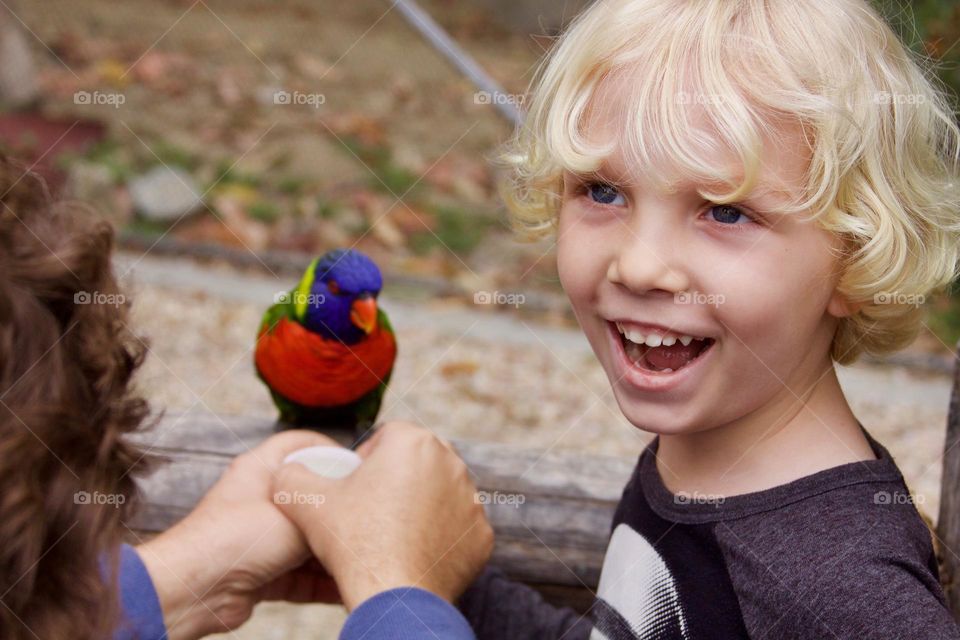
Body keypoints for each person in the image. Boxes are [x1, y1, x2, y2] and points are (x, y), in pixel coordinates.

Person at [283, 0, 960, 637]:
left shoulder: (838, 588)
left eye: (725, 211)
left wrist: (394, 589)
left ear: (854, 255)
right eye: (602, 192)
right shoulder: (710, 457)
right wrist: (442, 574)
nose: (638, 266)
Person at [0, 152, 492, 640]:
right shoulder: (278, 333)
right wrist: (402, 590)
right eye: (346, 294)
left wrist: (194, 577)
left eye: (371, 300)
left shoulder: (377, 339)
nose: (365, 310)